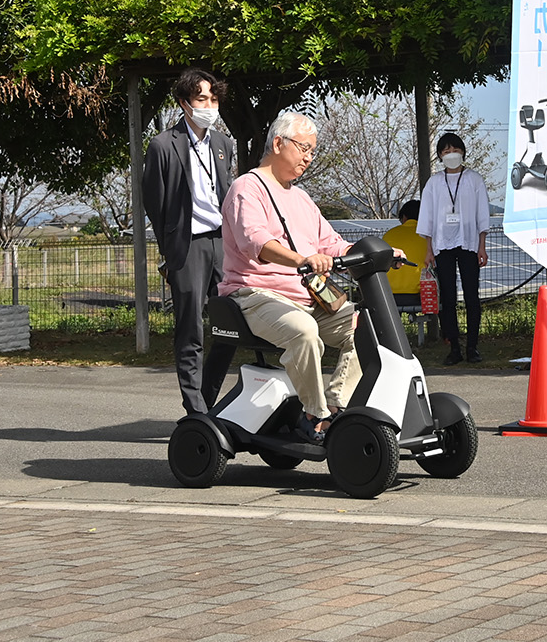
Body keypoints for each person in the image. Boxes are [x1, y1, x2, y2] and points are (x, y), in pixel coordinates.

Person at [218, 111, 361, 444]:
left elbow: (332, 244)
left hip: (306, 298)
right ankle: (314, 414)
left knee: (367, 328)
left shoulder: (301, 197)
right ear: (279, 143)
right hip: (255, 295)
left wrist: (378, 251)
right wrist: (302, 260)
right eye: (304, 148)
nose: (309, 157)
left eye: (313, 150)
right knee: (305, 331)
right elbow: (255, 242)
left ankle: (337, 407)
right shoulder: (246, 189)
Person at [142, 68, 239, 416]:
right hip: (187, 247)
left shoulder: (223, 143)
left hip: (222, 245)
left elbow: (227, 193)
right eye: (202, 99)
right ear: (184, 103)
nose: (210, 106)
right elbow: (153, 201)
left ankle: (208, 402)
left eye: (213, 99)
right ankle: (195, 409)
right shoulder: (162, 145)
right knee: (191, 330)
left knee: (231, 326)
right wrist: (170, 249)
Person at [417, 132, 490, 364]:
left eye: (455, 150)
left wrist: (482, 246)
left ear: (462, 152)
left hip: (468, 243)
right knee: (448, 297)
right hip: (442, 245)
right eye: (446, 152)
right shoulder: (434, 183)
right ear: (440, 155)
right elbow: (427, 217)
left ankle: (472, 347)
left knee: (472, 296)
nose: (451, 155)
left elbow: (482, 215)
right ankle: (454, 348)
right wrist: (429, 250)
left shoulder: (474, 179)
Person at [383, 199, 427, 298]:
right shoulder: (428, 236)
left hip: (389, 291)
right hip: (421, 291)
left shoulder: (389, 234)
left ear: (404, 217)